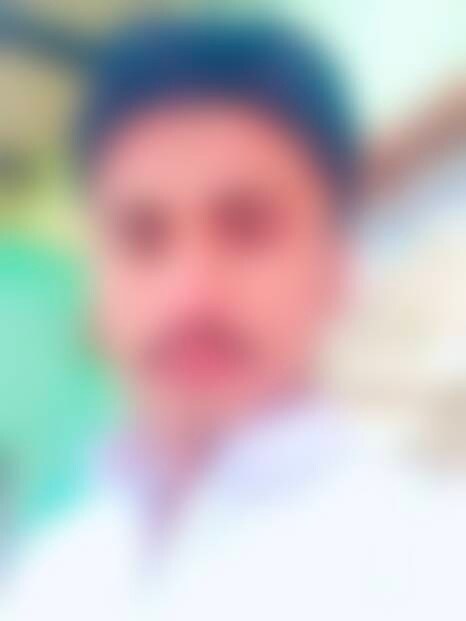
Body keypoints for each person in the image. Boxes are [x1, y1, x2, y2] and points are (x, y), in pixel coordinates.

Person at [3, 19, 466, 621]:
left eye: (247, 226)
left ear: (337, 263)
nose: (189, 292)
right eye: (142, 235)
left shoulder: (433, 557)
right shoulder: (50, 574)